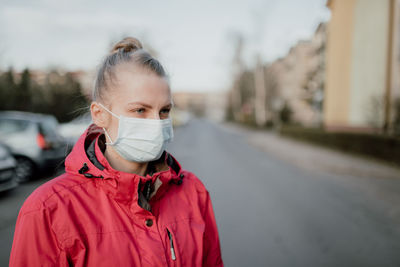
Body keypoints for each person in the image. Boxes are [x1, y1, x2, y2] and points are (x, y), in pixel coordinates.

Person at [9, 37, 224, 267]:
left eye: (164, 110)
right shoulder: (49, 209)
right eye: (140, 109)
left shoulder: (194, 193)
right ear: (99, 114)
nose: (156, 123)